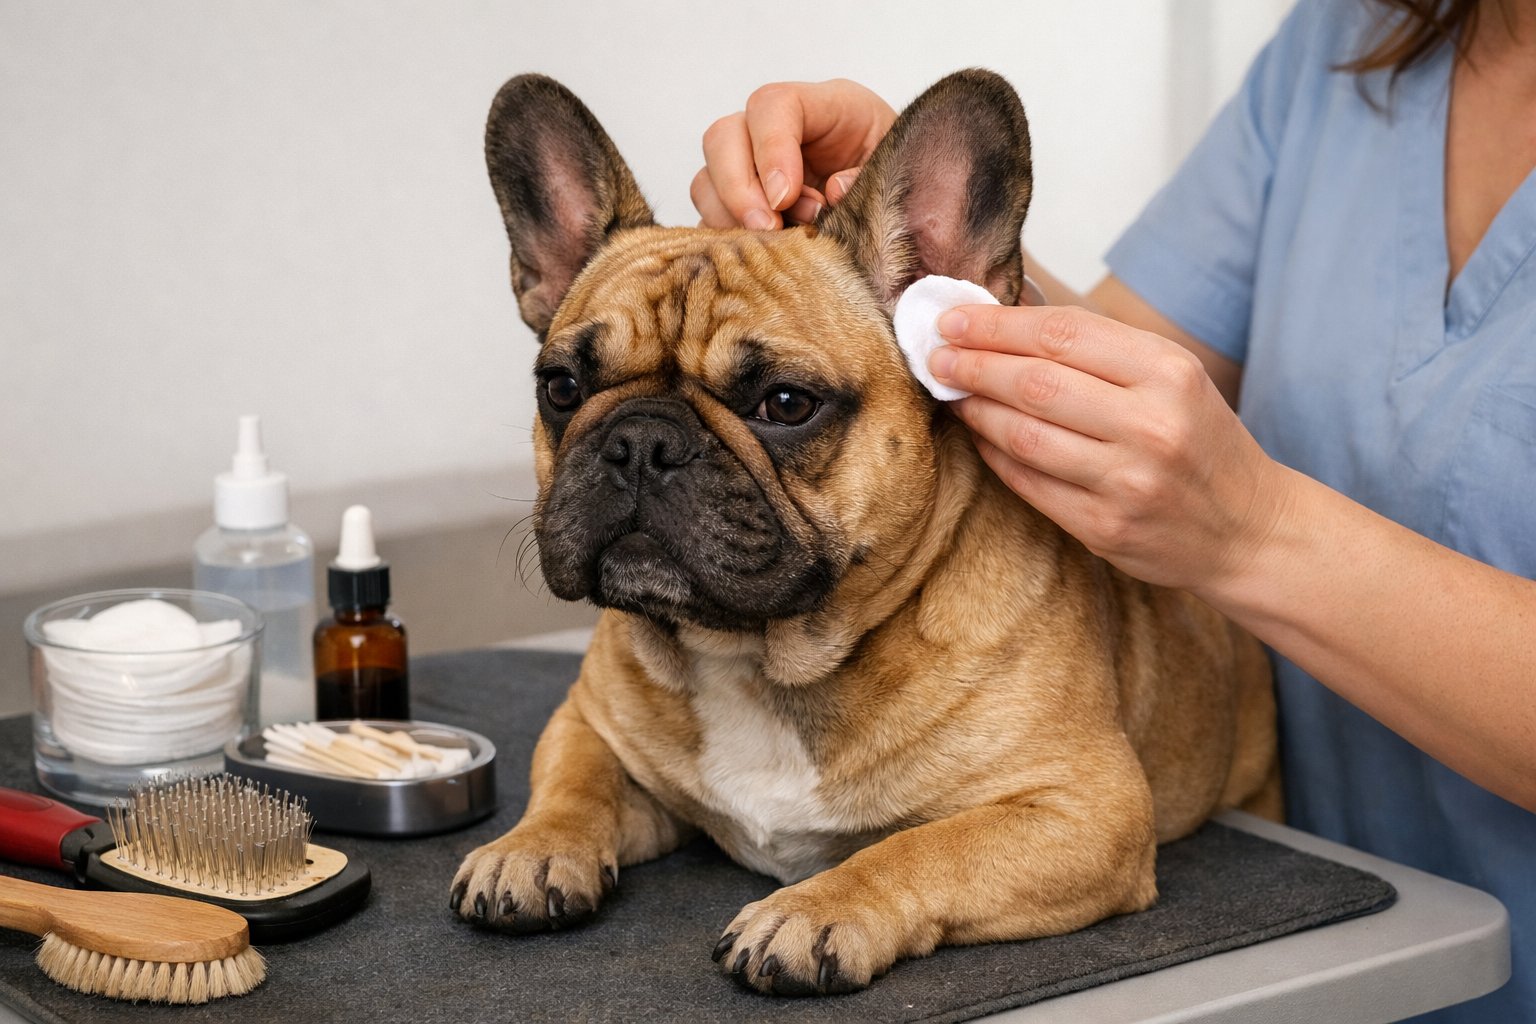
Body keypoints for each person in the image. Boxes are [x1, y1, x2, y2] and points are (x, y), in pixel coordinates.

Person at [690, 0, 1536, 1020]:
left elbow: (1210, 494)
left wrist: (1251, 532)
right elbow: (1119, 391)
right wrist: (915, 256)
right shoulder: (1355, 37)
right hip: (1288, 915)